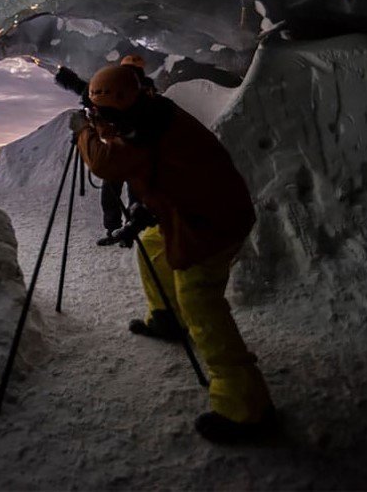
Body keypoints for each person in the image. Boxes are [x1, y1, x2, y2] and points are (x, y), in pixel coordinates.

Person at [70, 63, 274, 443]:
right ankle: (166, 317)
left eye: (108, 114)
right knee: (153, 244)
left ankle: (246, 407)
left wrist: (84, 130)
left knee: (200, 300)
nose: (104, 121)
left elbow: (103, 162)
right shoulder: (150, 113)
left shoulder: (143, 133)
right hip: (198, 211)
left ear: (125, 106)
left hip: (209, 222)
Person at [55, 56, 155, 253]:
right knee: (134, 192)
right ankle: (130, 229)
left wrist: (85, 129)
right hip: (129, 149)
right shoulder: (145, 91)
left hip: (121, 149)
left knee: (113, 191)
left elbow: (88, 93)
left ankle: (117, 229)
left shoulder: (129, 90)